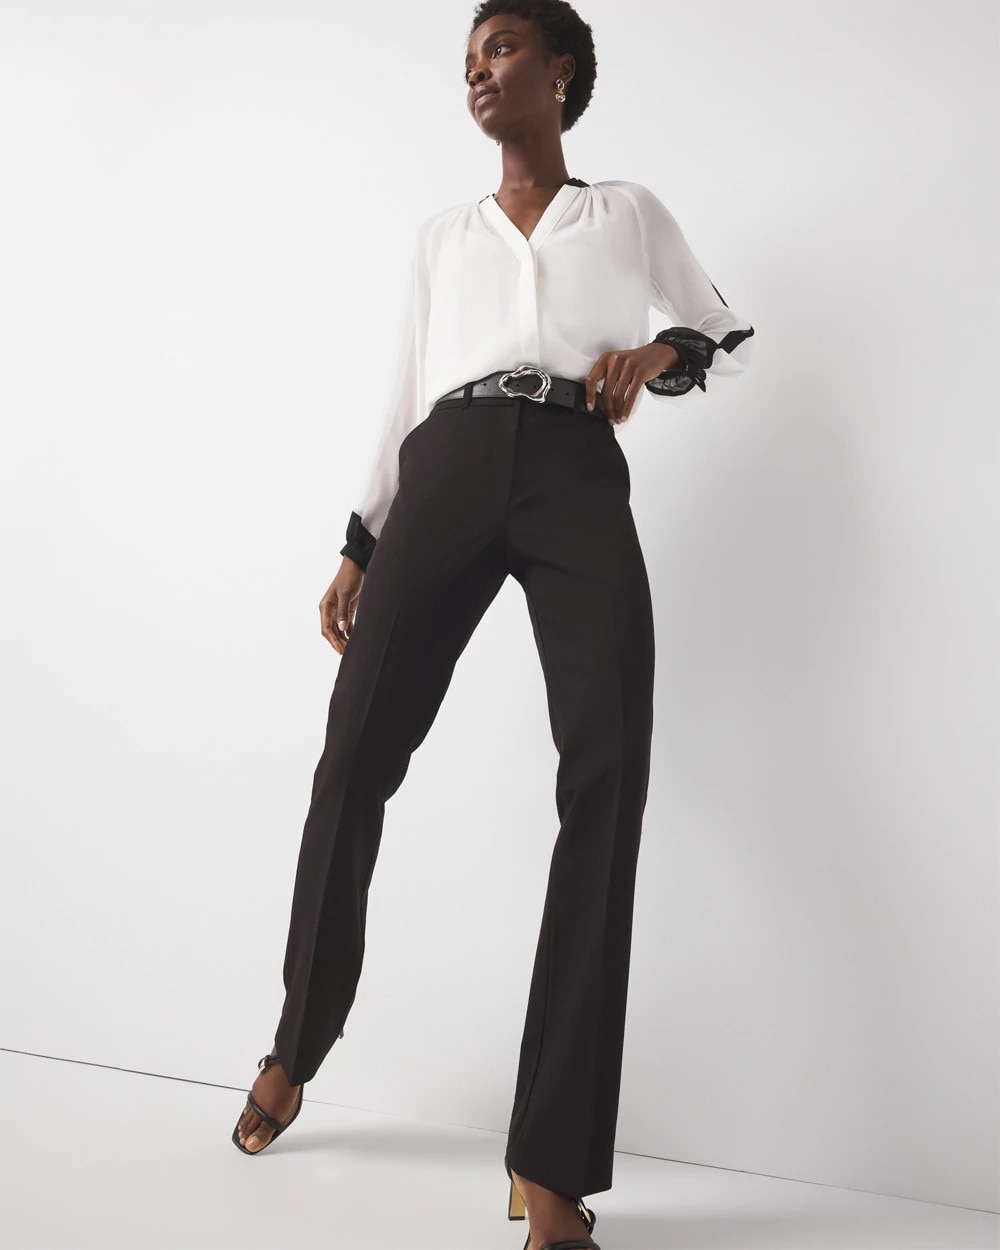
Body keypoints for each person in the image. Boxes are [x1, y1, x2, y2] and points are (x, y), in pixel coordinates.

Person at [232, 3, 755, 1249]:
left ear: (560, 71)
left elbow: (724, 333)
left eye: (501, 49)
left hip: (575, 467)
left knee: (607, 775)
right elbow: (405, 392)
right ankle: (299, 1037)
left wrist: (658, 352)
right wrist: (362, 538)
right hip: (451, 463)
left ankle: (553, 1168)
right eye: (467, 58)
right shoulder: (443, 236)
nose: (478, 71)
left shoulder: (624, 211)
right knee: (356, 752)